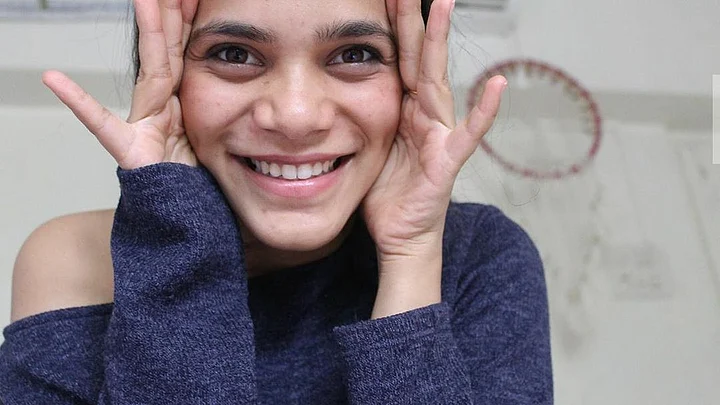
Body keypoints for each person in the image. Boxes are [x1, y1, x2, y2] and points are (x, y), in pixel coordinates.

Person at [0, 0, 553, 403]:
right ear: (165, 75)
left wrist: (410, 257)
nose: (295, 117)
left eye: (355, 54)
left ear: (413, 80)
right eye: (234, 53)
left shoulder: (480, 257)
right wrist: (176, 224)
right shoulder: (73, 264)